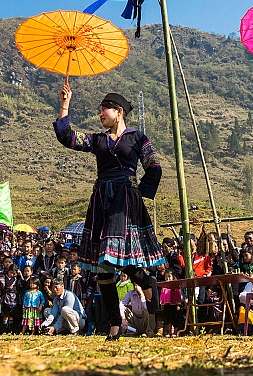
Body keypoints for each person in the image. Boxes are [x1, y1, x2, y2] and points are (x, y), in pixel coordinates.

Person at [54, 85, 164, 341]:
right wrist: (65, 104)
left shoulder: (138, 138)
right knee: (104, 267)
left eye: (105, 108)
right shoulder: (98, 140)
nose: (100, 112)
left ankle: (153, 304)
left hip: (126, 202)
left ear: (120, 111)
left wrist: (139, 195)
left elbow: (154, 167)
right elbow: (67, 137)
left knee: (128, 265)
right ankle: (116, 324)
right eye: (100, 109)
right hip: (102, 201)